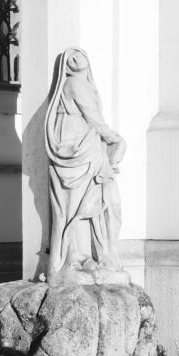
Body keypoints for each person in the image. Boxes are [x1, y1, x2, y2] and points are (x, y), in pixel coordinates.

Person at [45, 47, 126, 283]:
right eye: (72, 56)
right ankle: (73, 259)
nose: (77, 57)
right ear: (66, 65)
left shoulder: (83, 84)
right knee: (76, 206)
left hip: (85, 144)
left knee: (87, 204)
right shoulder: (75, 84)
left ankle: (85, 257)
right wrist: (113, 138)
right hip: (77, 145)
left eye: (81, 54)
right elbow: (92, 116)